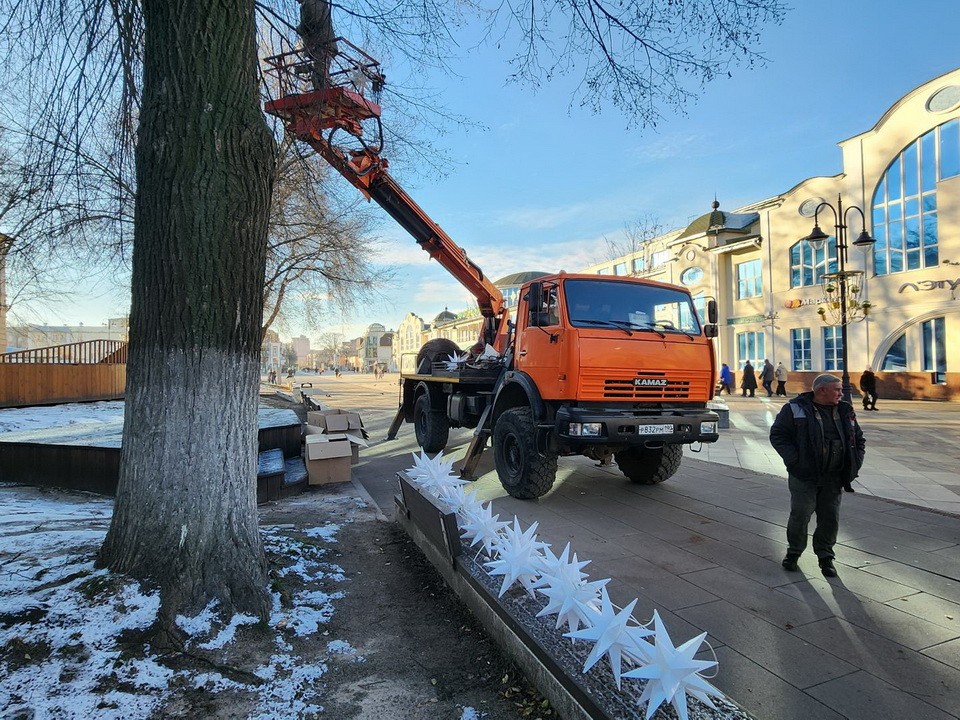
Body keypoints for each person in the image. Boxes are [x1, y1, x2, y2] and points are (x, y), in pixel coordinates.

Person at [769, 374, 865, 578]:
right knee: (800, 515)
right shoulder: (795, 408)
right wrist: (795, 461)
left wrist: (854, 464)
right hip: (804, 475)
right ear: (821, 390)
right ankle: (793, 553)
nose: (842, 393)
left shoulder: (845, 410)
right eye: (837, 389)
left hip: (834, 476)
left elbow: (858, 439)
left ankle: (826, 557)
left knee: (830, 518)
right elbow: (778, 435)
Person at [297, 0, 337, 90]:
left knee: (319, 74)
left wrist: (300, 28)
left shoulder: (313, 2)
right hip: (318, 45)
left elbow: (313, 20)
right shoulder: (308, 4)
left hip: (322, 44)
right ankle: (321, 93)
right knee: (318, 73)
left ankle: (323, 94)